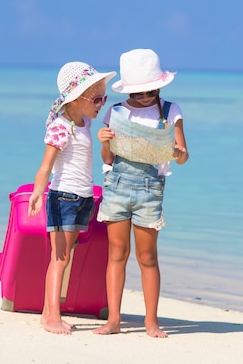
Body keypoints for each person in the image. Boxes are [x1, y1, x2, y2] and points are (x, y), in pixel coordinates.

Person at [93, 49, 189, 337]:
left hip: (150, 189)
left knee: (147, 257)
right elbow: (108, 160)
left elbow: (183, 157)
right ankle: (114, 320)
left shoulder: (171, 111)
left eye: (149, 92)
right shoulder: (116, 112)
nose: (145, 98)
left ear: (159, 86)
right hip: (117, 187)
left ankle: (151, 321)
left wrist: (176, 152)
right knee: (117, 254)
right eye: (138, 94)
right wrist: (104, 141)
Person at [28, 62, 116, 335]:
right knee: (60, 259)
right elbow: (46, 166)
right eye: (97, 98)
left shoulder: (85, 121)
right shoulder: (60, 127)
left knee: (66, 256)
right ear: (77, 99)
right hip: (63, 196)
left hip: (82, 197)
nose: (102, 103)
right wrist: (37, 193)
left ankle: (47, 313)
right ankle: (52, 316)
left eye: (105, 97)